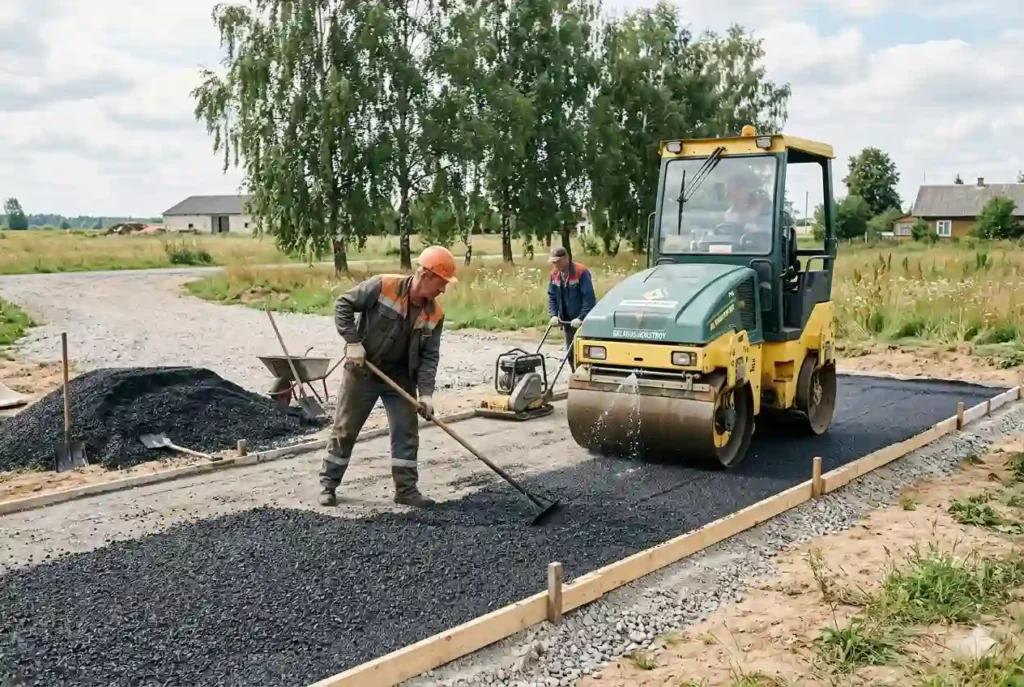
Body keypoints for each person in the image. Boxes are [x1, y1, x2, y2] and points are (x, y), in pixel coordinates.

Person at [318, 246, 457, 508]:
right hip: (363, 370)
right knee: (345, 429)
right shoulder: (384, 286)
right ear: (425, 275)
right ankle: (329, 484)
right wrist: (353, 341)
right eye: (441, 283)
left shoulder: (434, 315)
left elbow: (429, 357)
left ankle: (406, 490)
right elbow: (343, 304)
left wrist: (426, 394)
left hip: (401, 376)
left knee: (407, 431)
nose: (443, 290)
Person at [546, 246, 596, 371]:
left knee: (585, 353)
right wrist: (553, 315)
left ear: (566, 258)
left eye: (557, 262)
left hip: (583, 322)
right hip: (568, 322)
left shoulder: (581, 272)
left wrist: (581, 318)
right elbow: (552, 297)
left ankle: (587, 377)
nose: (555, 265)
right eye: (553, 262)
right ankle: (576, 376)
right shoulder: (554, 275)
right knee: (571, 354)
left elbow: (589, 299)